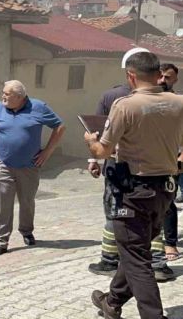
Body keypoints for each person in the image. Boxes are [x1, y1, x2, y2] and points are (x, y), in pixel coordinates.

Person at [86, 51, 183, 319]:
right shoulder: (179, 102)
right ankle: (112, 301)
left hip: (132, 191)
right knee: (135, 249)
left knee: (138, 260)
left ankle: (153, 315)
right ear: (157, 73)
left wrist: (89, 141)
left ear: (131, 75)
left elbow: (103, 150)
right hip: (164, 190)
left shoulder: (125, 105)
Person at [0, 80, 65, 257]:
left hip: (29, 167)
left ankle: (26, 231)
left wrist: (47, 152)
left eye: (6, 94)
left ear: (19, 97)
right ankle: (0, 240)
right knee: (2, 202)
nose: (3, 97)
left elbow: (60, 126)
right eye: (3, 93)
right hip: (3, 164)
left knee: (27, 201)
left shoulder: (38, 107)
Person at [158, 63, 181, 262]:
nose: (162, 80)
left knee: (167, 202)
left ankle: (170, 243)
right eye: (160, 76)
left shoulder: (178, 103)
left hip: (172, 161)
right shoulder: (145, 101)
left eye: (167, 77)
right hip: (148, 161)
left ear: (175, 80)